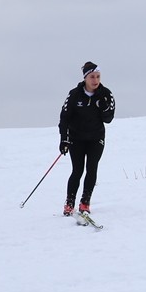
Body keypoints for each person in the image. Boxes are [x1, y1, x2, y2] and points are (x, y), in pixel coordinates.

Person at [58, 61, 116, 217]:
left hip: (96, 138)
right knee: (77, 170)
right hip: (77, 138)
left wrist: (103, 106)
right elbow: (64, 118)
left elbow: (109, 118)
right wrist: (64, 139)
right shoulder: (74, 94)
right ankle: (69, 203)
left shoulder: (105, 94)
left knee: (92, 168)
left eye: (98, 76)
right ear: (85, 78)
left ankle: (85, 202)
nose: (95, 80)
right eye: (92, 77)